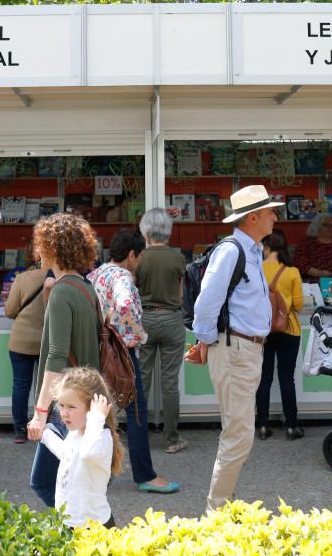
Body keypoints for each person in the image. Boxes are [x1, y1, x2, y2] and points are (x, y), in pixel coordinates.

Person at [191, 184, 282, 512]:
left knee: (239, 431)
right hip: (236, 350)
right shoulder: (233, 251)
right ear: (253, 217)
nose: (275, 216)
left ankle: (221, 507)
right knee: (239, 433)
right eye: (271, 211)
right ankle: (217, 512)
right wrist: (205, 340)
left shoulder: (250, 250)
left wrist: (207, 341)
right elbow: (206, 303)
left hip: (242, 350)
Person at [88, 229, 178, 494]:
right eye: (138, 257)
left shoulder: (97, 274)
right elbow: (126, 305)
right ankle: (145, 474)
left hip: (99, 350)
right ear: (131, 255)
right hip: (122, 353)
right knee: (136, 412)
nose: (139, 263)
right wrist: (135, 334)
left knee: (100, 413)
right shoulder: (121, 276)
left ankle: (98, 474)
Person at [26, 213, 101, 508]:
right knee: (72, 481)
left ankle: (81, 531)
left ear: (52, 248)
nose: (37, 251)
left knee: (44, 482)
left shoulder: (61, 292)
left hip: (65, 402)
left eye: (40, 245)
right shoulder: (86, 287)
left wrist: (41, 411)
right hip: (87, 398)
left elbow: (56, 355)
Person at [39, 367, 123, 529]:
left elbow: (87, 453)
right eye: (61, 405)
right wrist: (45, 433)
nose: (64, 413)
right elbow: (67, 454)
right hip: (68, 522)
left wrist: (97, 418)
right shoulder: (76, 431)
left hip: (93, 527)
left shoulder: (101, 436)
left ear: (92, 408)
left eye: (71, 407)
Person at [135, 207, 188, 455]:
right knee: (169, 383)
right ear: (168, 229)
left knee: (142, 380)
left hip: (145, 318)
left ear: (146, 229)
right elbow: (180, 294)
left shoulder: (140, 258)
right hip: (171, 320)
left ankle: (138, 435)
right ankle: (171, 439)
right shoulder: (178, 258)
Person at [255, 229, 305, 441]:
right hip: (289, 329)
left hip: (262, 330)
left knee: (264, 379)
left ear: (267, 248)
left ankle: (263, 426)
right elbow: (300, 305)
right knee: (287, 378)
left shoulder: (258, 269)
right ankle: (291, 426)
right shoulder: (292, 271)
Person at [5, 254, 49, 444]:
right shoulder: (57, 278)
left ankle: (20, 430)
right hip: (46, 341)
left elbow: (9, 311)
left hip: (20, 340)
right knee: (46, 386)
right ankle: (45, 427)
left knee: (21, 385)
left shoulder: (22, 278)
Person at [294, 213, 332, 281]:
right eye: (325, 225)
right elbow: (301, 265)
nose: (329, 228)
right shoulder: (306, 243)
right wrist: (320, 273)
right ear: (317, 226)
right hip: (311, 285)